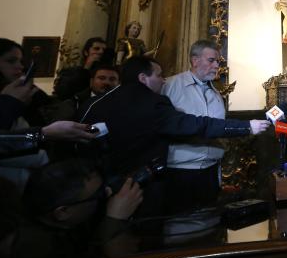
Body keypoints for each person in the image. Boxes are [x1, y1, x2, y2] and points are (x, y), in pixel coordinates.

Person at [81, 56, 270, 212]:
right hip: (137, 189)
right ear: (143, 78)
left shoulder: (94, 103)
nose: (163, 80)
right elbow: (196, 125)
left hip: (91, 188)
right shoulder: (153, 102)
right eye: (159, 75)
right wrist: (246, 126)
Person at [9, 159, 143, 258]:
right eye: (99, 194)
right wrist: (115, 219)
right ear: (63, 212)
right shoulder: (37, 252)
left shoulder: (49, 221)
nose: (108, 193)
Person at [161, 39, 227, 210]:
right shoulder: (169, 86)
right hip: (179, 172)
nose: (216, 66)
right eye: (211, 60)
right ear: (195, 60)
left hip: (210, 171)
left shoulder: (216, 94)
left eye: (218, 61)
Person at [0, 38, 51, 190]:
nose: (20, 66)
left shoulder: (15, 90)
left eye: (21, 61)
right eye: (11, 61)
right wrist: (9, 102)